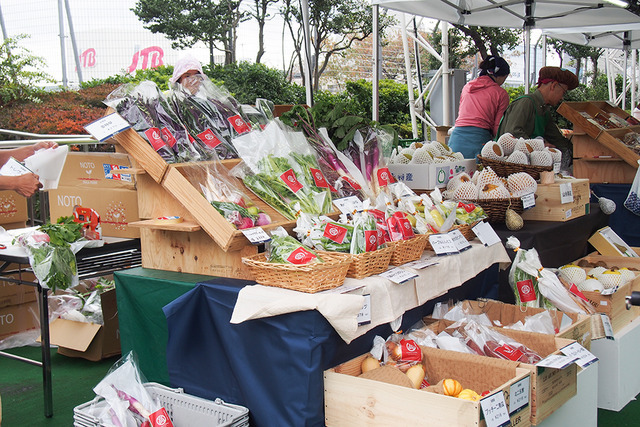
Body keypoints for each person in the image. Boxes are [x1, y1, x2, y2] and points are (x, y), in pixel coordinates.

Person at [497, 66, 579, 168]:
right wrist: (540, 147)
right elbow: (512, 134)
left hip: (528, 165)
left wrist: (578, 152)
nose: (562, 97)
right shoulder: (526, 103)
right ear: (553, 85)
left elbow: (556, 138)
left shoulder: (545, 110)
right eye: (563, 92)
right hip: (511, 165)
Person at [447, 56, 511, 160]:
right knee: (477, 175)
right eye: (505, 78)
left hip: (456, 139)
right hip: (479, 141)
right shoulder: (500, 93)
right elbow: (497, 127)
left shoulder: (467, 87)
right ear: (499, 76)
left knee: (454, 174)